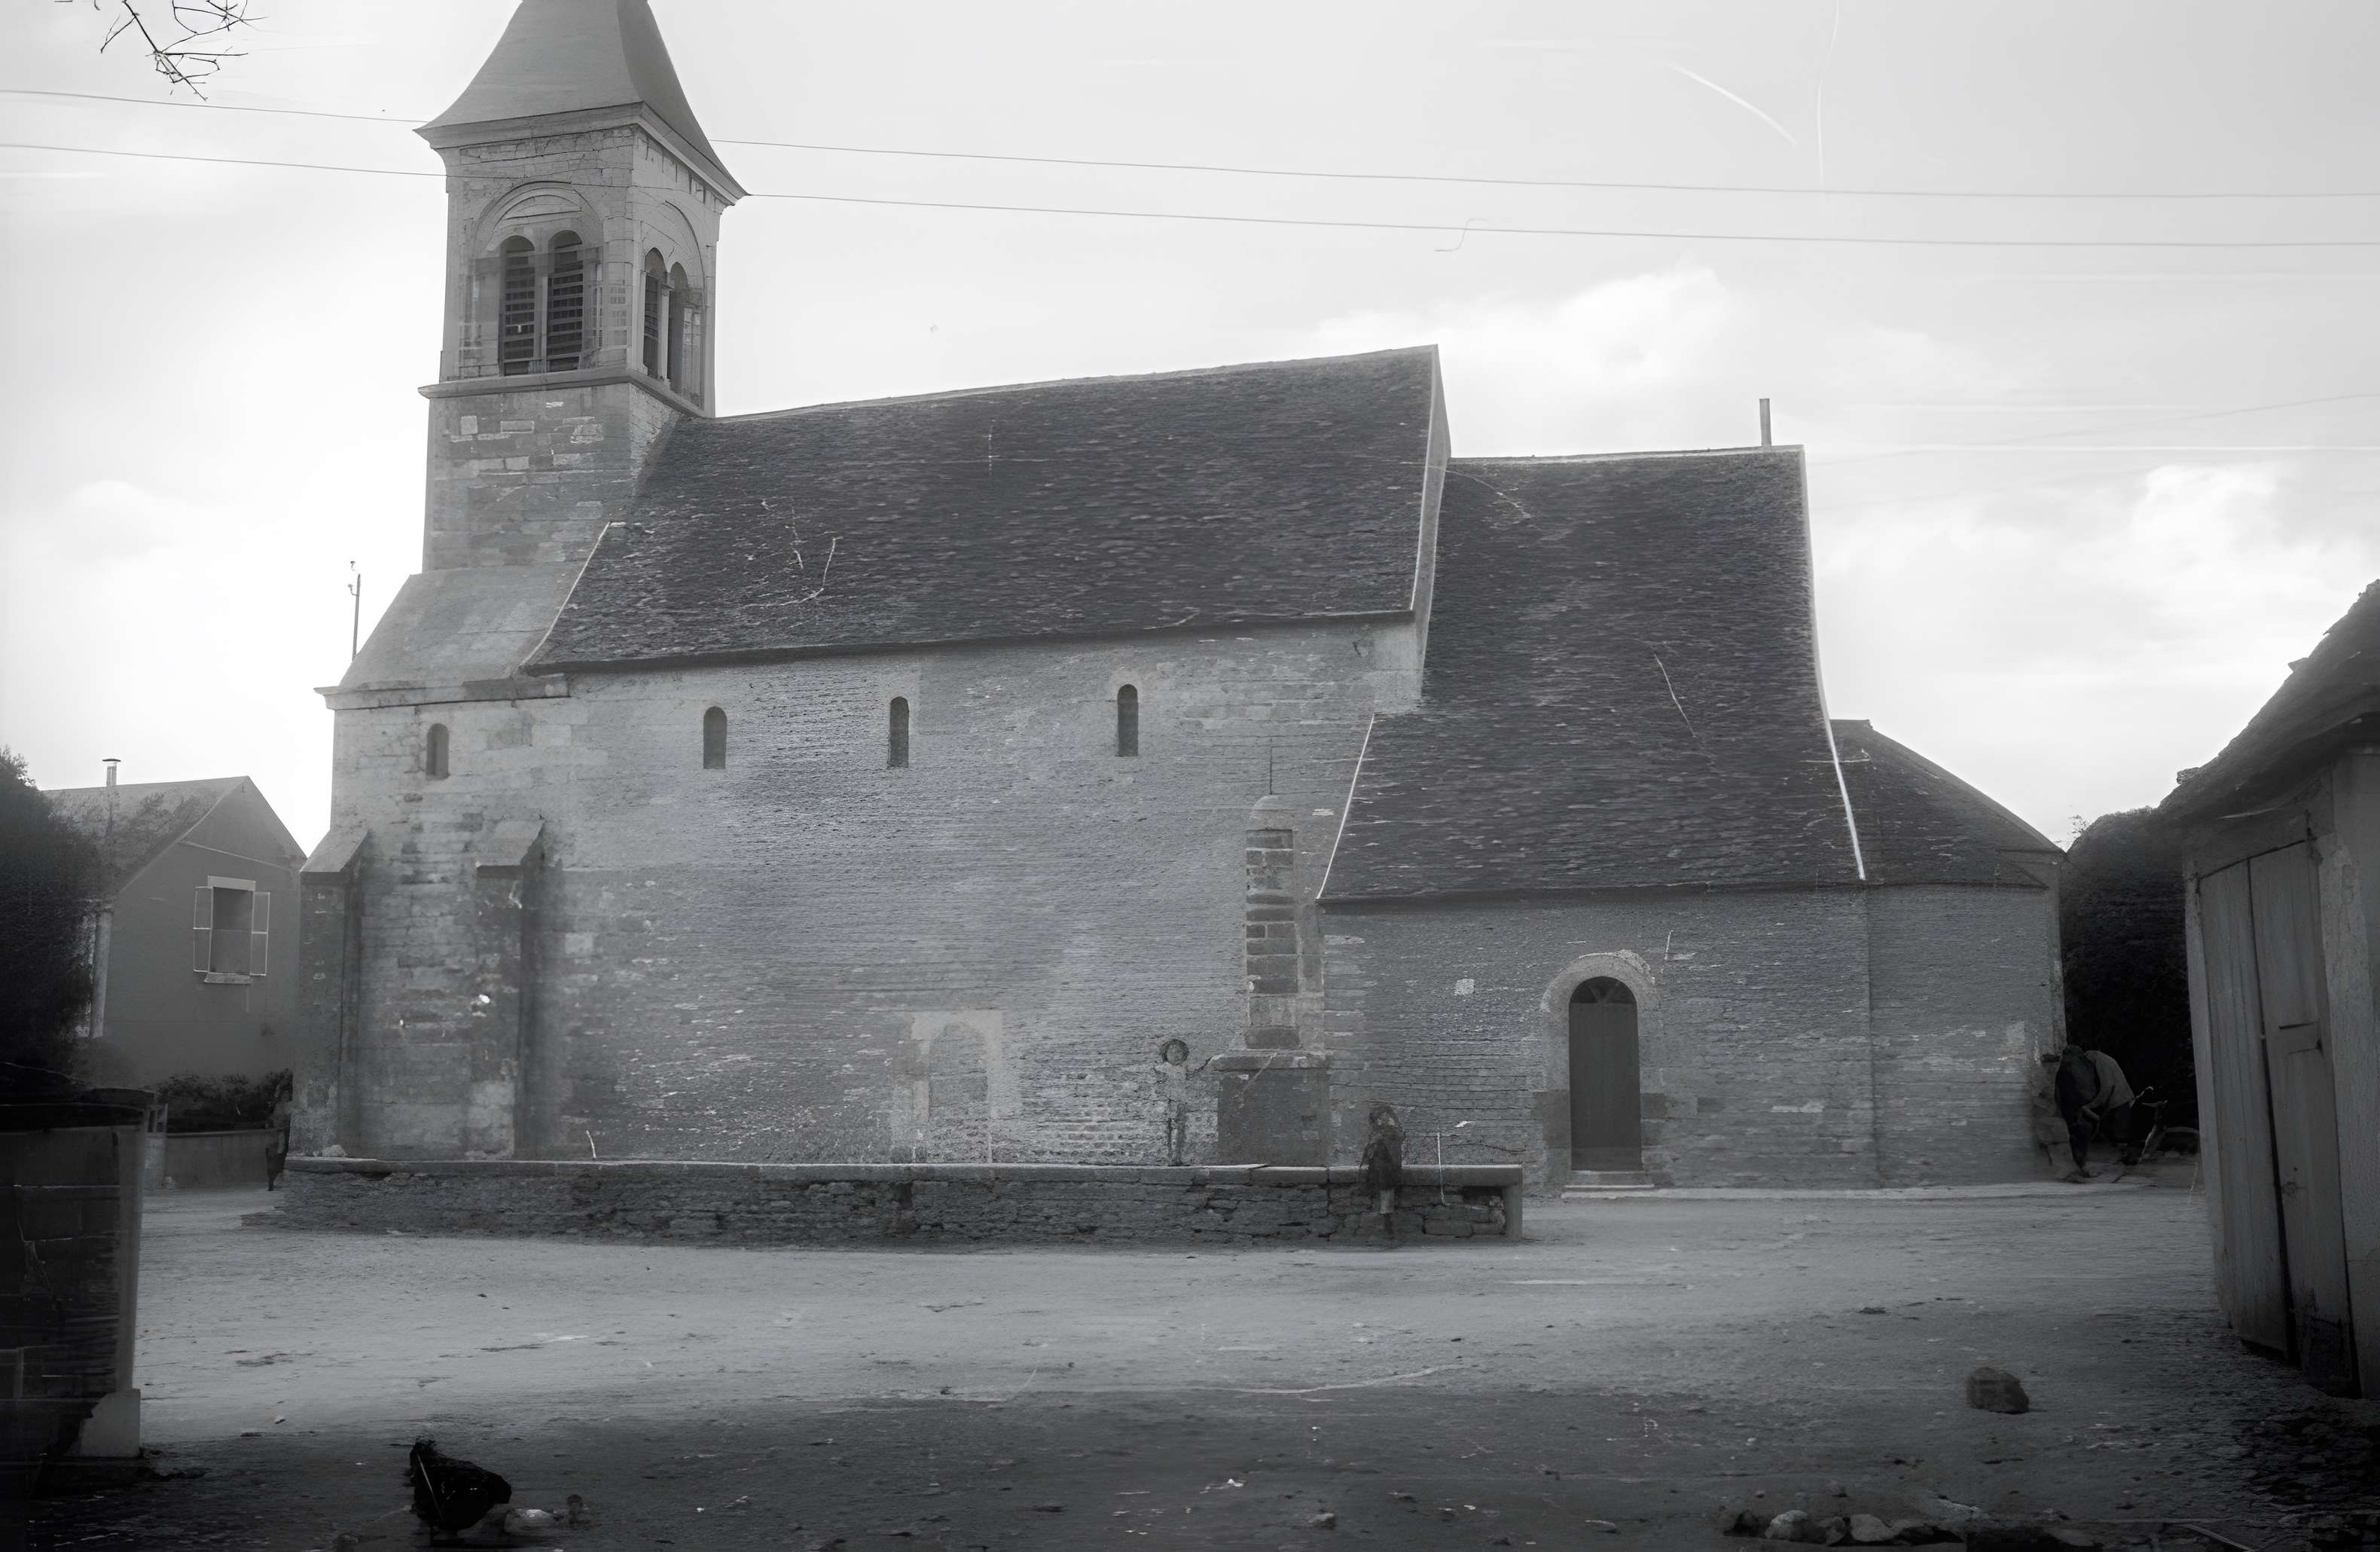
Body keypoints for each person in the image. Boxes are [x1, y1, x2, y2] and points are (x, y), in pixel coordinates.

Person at [2054, 1045, 2140, 1178]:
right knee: (2118, 1133)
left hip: (2119, 1101)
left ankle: (2127, 1163)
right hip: (2120, 1100)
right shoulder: (2102, 1059)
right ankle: (2126, 1162)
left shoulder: (2099, 1061)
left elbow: (2106, 1088)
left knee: (2120, 1134)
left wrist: (2090, 1105)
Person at [1362, 1102, 1404, 1236]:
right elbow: (1370, 1152)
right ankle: (1386, 1219)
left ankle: (1387, 1218)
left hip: (1390, 1166)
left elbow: (1400, 1138)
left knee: (1388, 1190)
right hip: (1381, 1168)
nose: (1385, 1118)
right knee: (1385, 1190)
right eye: (1382, 1116)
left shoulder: (1390, 1131)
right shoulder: (1378, 1133)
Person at [265, 1071, 293, 1191]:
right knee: (278, 1153)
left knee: (285, 1153)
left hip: (289, 1132)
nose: (285, 1095)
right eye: (284, 1093)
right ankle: (273, 1179)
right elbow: (274, 1118)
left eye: (287, 1093)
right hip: (280, 1133)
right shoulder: (277, 1106)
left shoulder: (292, 1105)